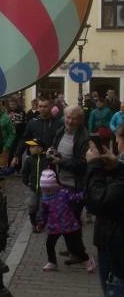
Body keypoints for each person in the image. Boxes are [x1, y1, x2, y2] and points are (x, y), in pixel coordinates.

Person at [85, 125, 124, 297]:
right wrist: (117, 167)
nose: (117, 146)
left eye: (118, 142)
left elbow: (97, 201)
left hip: (118, 254)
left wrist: (94, 166)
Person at [49, 105, 90, 259]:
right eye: (68, 117)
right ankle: (73, 248)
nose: (70, 121)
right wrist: (51, 152)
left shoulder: (84, 137)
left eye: (74, 118)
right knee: (68, 218)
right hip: (60, 182)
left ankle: (78, 252)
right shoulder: (61, 131)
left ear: (80, 120)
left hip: (75, 185)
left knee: (72, 218)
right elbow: (55, 148)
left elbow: (82, 163)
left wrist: (60, 161)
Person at [36, 169, 94, 272]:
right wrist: (41, 224)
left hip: (69, 225)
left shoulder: (63, 193)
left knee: (75, 246)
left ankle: (87, 260)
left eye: (49, 189)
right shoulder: (44, 199)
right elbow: (43, 214)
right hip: (54, 226)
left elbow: (74, 197)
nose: (47, 191)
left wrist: (84, 194)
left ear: (54, 186)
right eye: (45, 189)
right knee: (49, 244)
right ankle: (52, 262)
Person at [19, 139, 50, 230]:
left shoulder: (47, 159)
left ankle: (38, 224)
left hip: (44, 189)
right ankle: (33, 218)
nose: (30, 149)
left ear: (40, 149)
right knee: (32, 205)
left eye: (32, 147)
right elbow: (25, 172)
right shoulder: (29, 159)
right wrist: (26, 182)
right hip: (33, 187)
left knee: (42, 207)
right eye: (30, 147)